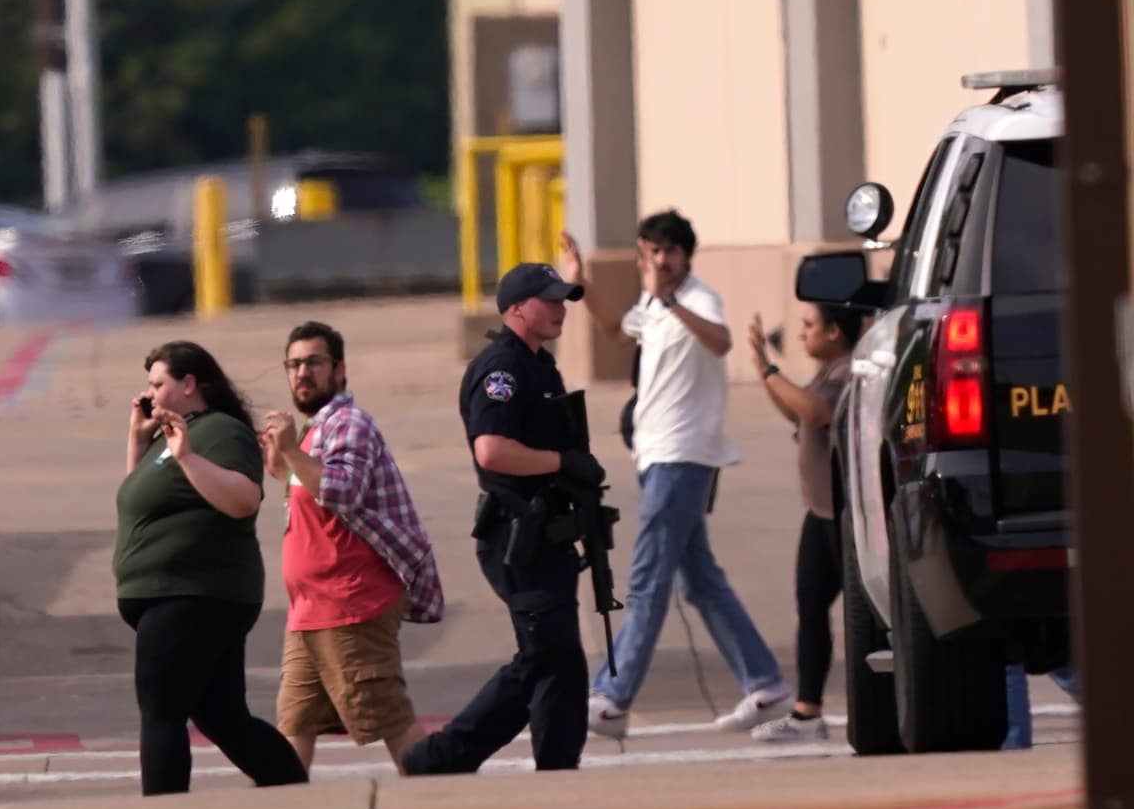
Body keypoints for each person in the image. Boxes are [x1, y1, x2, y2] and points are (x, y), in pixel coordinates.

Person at [565, 211, 792, 739]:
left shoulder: (696, 298)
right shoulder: (652, 303)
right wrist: (582, 284)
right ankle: (764, 684)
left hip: (683, 455)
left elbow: (721, 341)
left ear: (686, 255)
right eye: (650, 252)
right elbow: (615, 333)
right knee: (700, 581)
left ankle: (612, 698)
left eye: (667, 251)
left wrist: (669, 300)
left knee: (647, 581)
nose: (659, 261)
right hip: (658, 456)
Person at [401, 262, 606, 775]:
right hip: (517, 535)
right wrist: (563, 463)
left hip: (548, 532)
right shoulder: (501, 370)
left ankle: (556, 766)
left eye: (563, 299)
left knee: (556, 657)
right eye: (550, 299)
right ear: (517, 308)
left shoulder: (540, 365)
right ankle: (441, 757)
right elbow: (491, 450)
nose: (561, 309)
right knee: (546, 656)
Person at [113, 340, 308, 795]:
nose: (150, 394)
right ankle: (290, 786)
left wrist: (185, 456)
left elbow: (243, 500)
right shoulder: (175, 434)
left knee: (161, 710)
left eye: (157, 384)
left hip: (194, 594)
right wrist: (138, 440)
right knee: (221, 715)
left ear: (188, 384)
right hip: (181, 595)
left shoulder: (220, 432)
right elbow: (138, 500)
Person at [259, 321, 442, 776]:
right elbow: (312, 505)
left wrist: (291, 454)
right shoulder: (313, 431)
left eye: (314, 363)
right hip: (310, 610)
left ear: (339, 370)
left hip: (351, 606)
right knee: (293, 728)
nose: (302, 373)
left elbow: (342, 491)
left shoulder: (348, 423)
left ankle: (439, 799)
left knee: (394, 724)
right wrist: (281, 466)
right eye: (294, 364)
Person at [745, 302, 862, 742]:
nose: (802, 334)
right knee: (810, 608)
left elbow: (816, 413)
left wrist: (772, 371)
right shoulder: (827, 371)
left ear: (834, 332)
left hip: (846, 518)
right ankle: (806, 714)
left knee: (860, 614)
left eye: (809, 326)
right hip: (820, 513)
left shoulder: (847, 371)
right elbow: (798, 413)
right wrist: (762, 370)